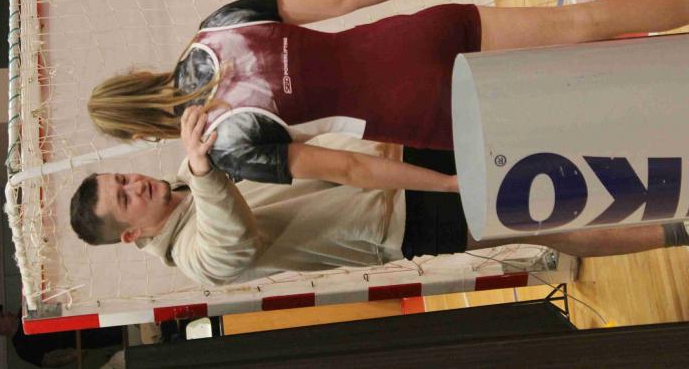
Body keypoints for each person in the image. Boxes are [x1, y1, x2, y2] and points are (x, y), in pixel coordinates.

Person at [87, 0, 689, 191]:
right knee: (580, 22)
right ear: (137, 75)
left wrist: (450, 185)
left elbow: (351, 168)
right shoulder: (218, 25)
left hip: (417, 109)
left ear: (141, 132)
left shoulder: (224, 147)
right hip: (411, 37)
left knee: (579, 118)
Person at [69, 106, 689, 286]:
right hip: (401, 221)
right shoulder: (196, 260)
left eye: (123, 180)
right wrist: (206, 173)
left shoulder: (191, 166)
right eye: (125, 200)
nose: (135, 185)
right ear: (133, 234)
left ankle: (658, 142)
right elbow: (235, 237)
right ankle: (678, 226)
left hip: (391, 159)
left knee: (525, 144)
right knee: (544, 223)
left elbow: (288, 139)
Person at [0, 305, 122, 367]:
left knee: (117, 315)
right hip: (80, 337)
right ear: (1, 328)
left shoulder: (25, 313)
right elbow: (47, 362)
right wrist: (73, 356)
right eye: (2, 316)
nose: (7, 313)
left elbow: (59, 308)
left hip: (81, 317)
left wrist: (79, 307)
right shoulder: (22, 348)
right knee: (118, 333)